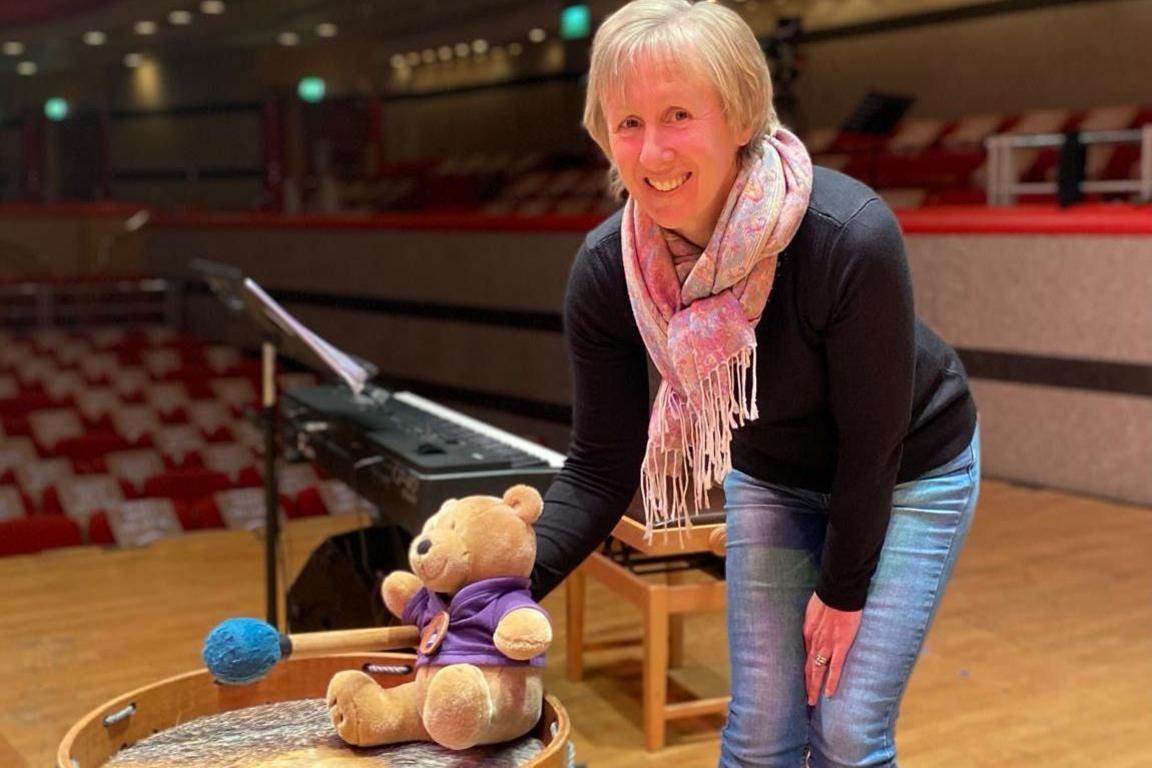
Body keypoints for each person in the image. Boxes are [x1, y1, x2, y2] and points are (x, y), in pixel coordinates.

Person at [528, 1, 980, 766]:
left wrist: (843, 592)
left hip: (908, 471)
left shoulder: (847, 234)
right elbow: (602, 466)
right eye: (628, 122)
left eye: (678, 114)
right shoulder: (612, 269)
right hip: (774, 476)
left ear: (740, 117)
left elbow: (873, 444)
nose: (652, 149)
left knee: (843, 730)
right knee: (761, 733)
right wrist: (502, 589)